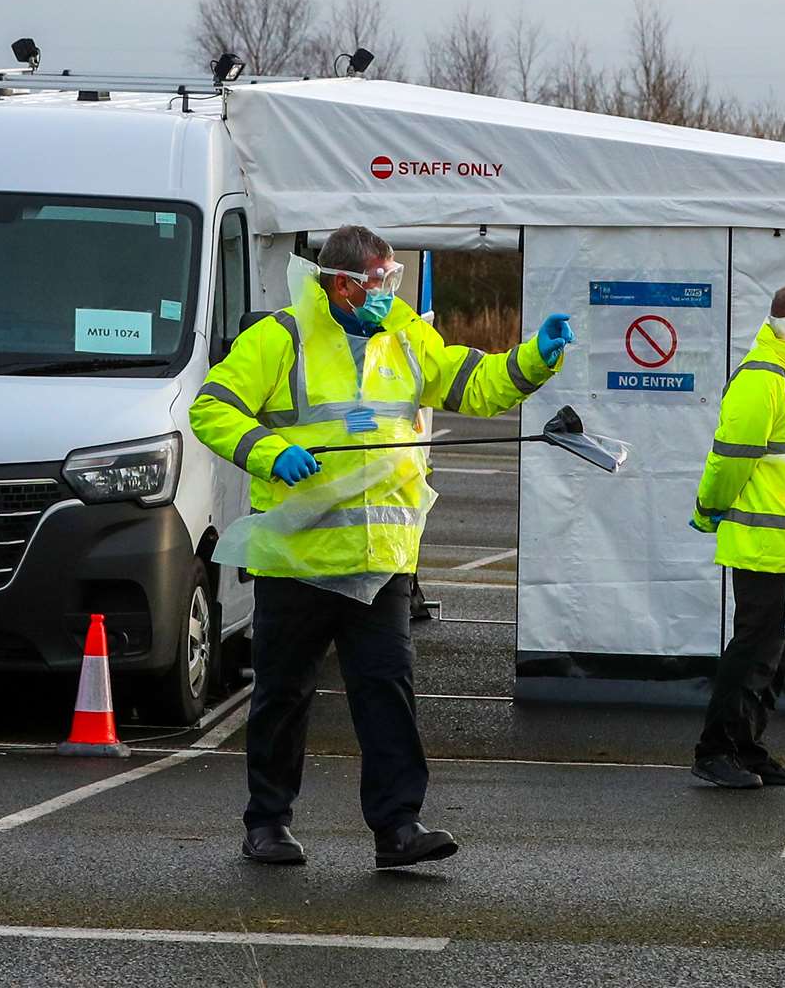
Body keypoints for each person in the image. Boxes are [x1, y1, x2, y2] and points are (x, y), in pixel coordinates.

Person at [189, 224, 572, 868]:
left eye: (392, 279)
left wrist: (533, 357)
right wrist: (270, 450)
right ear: (340, 283)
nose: (389, 291)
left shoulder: (403, 334)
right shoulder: (280, 337)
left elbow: (472, 383)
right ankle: (268, 823)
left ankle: (399, 827)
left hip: (381, 561)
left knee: (388, 696)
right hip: (299, 559)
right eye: (379, 280)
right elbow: (212, 408)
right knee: (283, 697)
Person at [690, 284, 785, 789]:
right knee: (754, 652)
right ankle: (716, 752)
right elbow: (730, 458)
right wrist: (708, 508)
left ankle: (748, 749)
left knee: (774, 656)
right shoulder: (765, 378)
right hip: (762, 543)